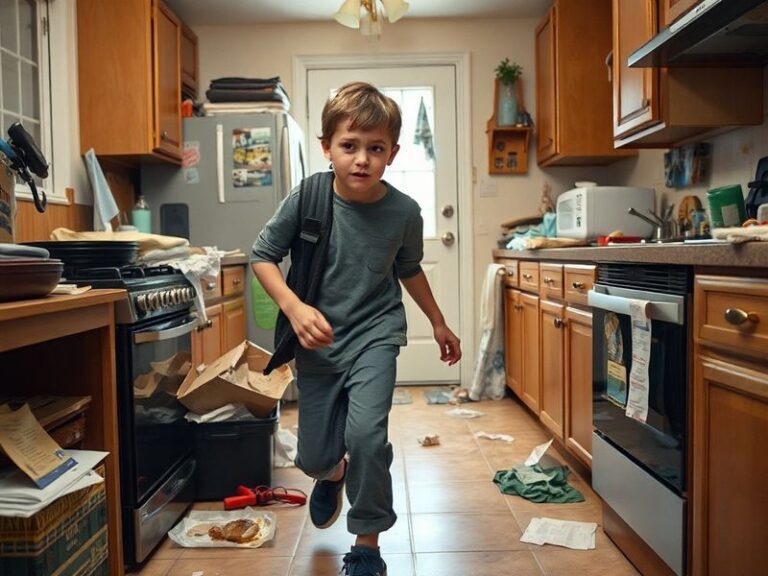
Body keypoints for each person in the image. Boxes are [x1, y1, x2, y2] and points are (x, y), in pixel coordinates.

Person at [251, 81, 461, 576]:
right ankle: (332, 473)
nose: (362, 159)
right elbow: (262, 256)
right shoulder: (308, 195)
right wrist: (295, 308)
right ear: (327, 147)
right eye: (349, 146)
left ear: (392, 152)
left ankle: (367, 544)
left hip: (376, 335)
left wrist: (438, 321)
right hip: (318, 342)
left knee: (367, 435)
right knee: (313, 457)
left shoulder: (405, 212)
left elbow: (409, 269)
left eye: (375, 148)